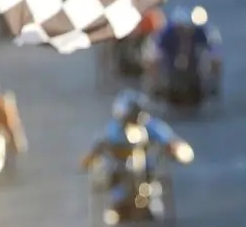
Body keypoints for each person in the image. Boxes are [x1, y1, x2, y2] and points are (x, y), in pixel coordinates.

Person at [80, 90, 193, 219]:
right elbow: (98, 146)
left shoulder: (151, 126)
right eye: (129, 117)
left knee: (158, 174)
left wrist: (179, 151)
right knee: (107, 173)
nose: (133, 121)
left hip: (148, 167)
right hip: (118, 168)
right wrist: (91, 157)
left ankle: (149, 197)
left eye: (136, 116)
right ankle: (118, 201)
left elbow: (171, 141)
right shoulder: (113, 128)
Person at [142, 5, 222, 98]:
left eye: (188, 29)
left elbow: (216, 55)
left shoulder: (202, 33)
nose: (185, 33)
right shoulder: (166, 34)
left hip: (194, 73)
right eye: (181, 29)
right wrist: (155, 83)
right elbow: (151, 57)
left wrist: (213, 82)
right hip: (170, 73)